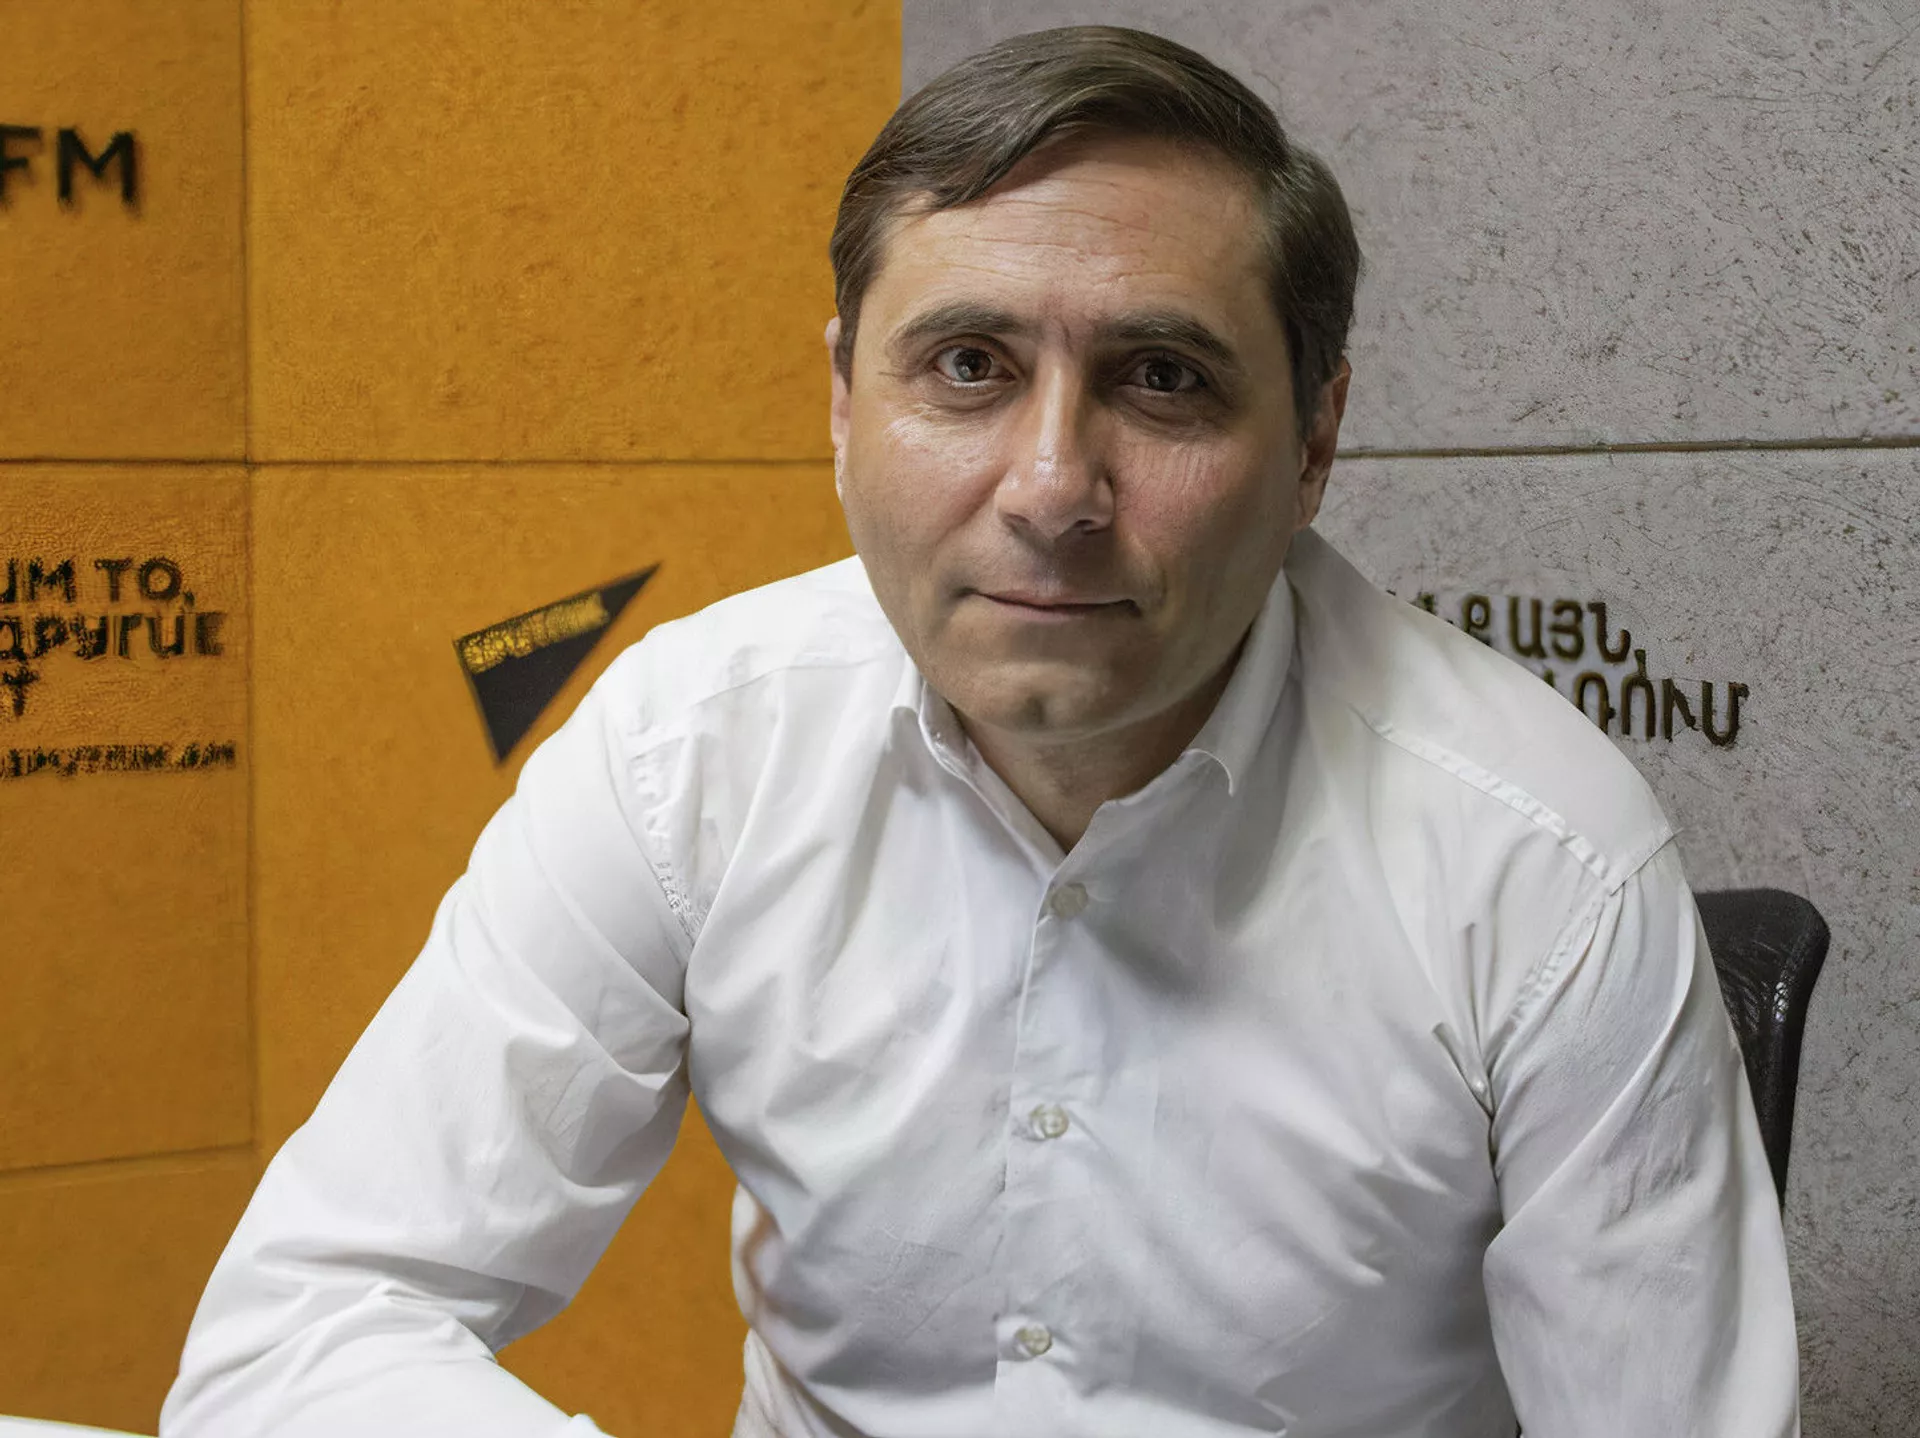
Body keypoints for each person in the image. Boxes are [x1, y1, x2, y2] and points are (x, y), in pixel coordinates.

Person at [160, 25, 1799, 1438]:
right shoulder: (691, 750)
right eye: (966, 366)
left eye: (1162, 378)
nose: (1051, 489)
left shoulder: (1541, 859)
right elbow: (301, 1329)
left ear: (1314, 442)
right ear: (840, 403)